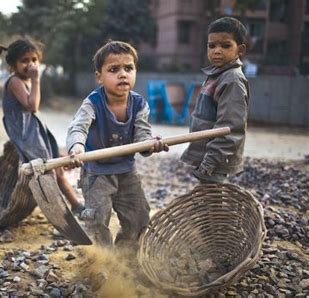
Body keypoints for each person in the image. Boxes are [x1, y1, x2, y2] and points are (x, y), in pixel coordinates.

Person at [66, 40, 168, 248]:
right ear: (99, 77)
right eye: (114, 69)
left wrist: (150, 144)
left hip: (126, 172)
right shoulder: (92, 103)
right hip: (97, 173)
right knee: (97, 219)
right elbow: (78, 127)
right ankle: (102, 261)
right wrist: (77, 147)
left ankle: (125, 256)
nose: (123, 74)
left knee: (138, 214)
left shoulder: (139, 104)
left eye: (128, 68)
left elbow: (142, 134)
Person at [0, 38, 85, 214]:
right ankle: (58, 210)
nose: (30, 64)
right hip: (25, 135)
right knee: (46, 172)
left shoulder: (26, 80)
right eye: (24, 61)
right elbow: (32, 106)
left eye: (34, 60)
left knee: (56, 168)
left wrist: (34, 81)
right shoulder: (15, 82)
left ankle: (75, 204)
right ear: (13, 65)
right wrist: (37, 80)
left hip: (34, 131)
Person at [181, 17, 249, 184]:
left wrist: (211, 160)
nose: (217, 51)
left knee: (213, 203)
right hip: (207, 155)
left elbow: (230, 127)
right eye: (212, 46)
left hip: (217, 159)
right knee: (207, 201)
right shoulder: (216, 75)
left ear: (240, 49)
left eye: (225, 45)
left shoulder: (232, 80)